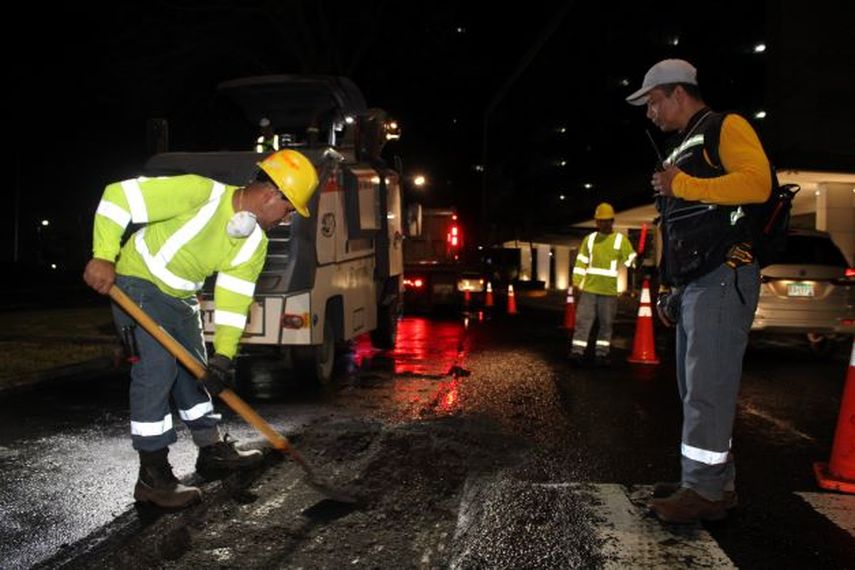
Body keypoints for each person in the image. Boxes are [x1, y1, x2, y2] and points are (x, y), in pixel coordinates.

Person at [83, 149, 319, 509]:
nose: (287, 219)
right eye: (289, 210)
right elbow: (118, 197)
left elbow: (234, 300)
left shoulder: (254, 244)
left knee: (198, 372)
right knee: (157, 370)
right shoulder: (200, 193)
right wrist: (103, 254)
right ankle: (152, 474)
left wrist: (224, 356)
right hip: (138, 284)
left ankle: (211, 451)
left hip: (181, 299)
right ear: (273, 195)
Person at [626, 59, 772, 523]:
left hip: (724, 277)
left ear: (677, 93)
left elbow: (758, 183)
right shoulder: (684, 147)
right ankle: (711, 483)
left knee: (707, 389)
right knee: (697, 388)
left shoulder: (724, 127)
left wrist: (680, 184)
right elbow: (685, 225)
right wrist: (672, 287)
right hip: (697, 283)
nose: (650, 113)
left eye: (652, 102)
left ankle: (704, 493)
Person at [568, 202, 637, 367]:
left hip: (608, 291)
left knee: (606, 324)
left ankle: (602, 354)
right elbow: (581, 263)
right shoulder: (590, 240)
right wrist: (576, 283)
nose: (603, 224)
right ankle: (577, 351)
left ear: (612, 221)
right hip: (589, 289)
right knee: (583, 322)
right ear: (596, 222)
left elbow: (630, 261)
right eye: (600, 220)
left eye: (606, 220)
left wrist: (635, 259)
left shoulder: (621, 240)